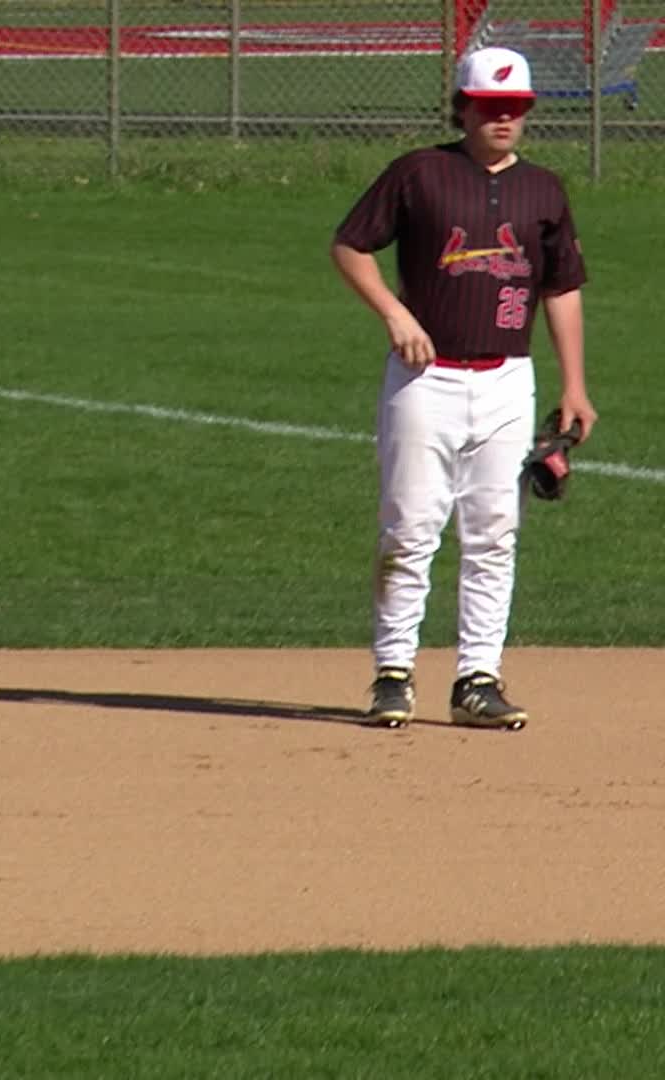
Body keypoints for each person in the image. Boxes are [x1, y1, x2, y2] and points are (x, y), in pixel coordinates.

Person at [331, 46, 595, 731]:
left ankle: (478, 678)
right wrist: (394, 313)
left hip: (508, 378)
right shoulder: (420, 173)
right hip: (426, 380)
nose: (503, 118)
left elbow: (561, 286)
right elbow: (350, 244)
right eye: (489, 107)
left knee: (494, 534)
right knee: (411, 528)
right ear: (463, 107)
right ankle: (393, 674)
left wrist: (574, 384)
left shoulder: (545, 189)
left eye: (515, 108)